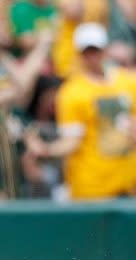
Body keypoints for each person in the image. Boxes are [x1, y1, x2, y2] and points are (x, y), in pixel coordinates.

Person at [24, 23, 136, 199]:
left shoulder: (128, 82)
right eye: (87, 52)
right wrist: (46, 150)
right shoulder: (72, 92)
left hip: (129, 184)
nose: (92, 57)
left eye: (96, 50)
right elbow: (72, 140)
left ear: (105, 50)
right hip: (92, 187)